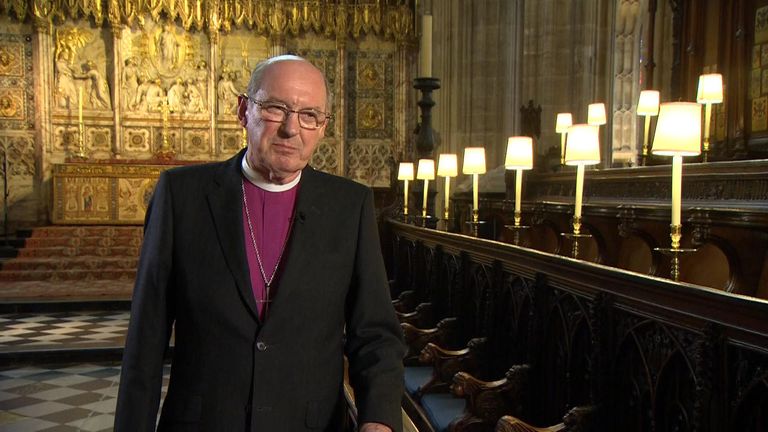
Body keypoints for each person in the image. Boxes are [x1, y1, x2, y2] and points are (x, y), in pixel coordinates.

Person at [115, 55, 405, 432]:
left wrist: (379, 419)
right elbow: (146, 337)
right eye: (275, 108)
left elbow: (376, 333)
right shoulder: (182, 195)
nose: (291, 128)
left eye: (309, 115)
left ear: (322, 127)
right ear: (243, 110)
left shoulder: (349, 206)